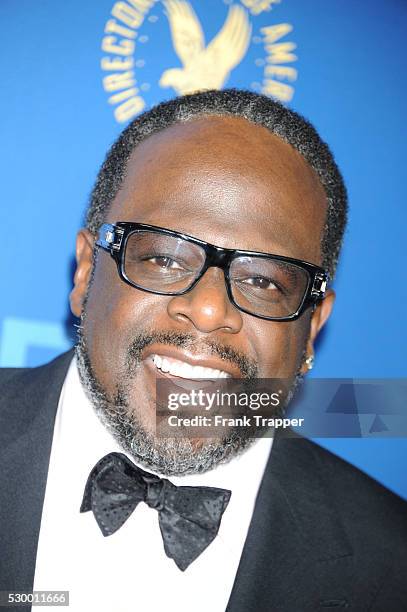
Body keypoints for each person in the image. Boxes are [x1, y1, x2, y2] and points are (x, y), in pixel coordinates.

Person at [0, 89, 406, 612]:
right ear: (86, 273)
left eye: (263, 280)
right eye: (165, 258)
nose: (211, 310)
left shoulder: (392, 567)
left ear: (311, 329)